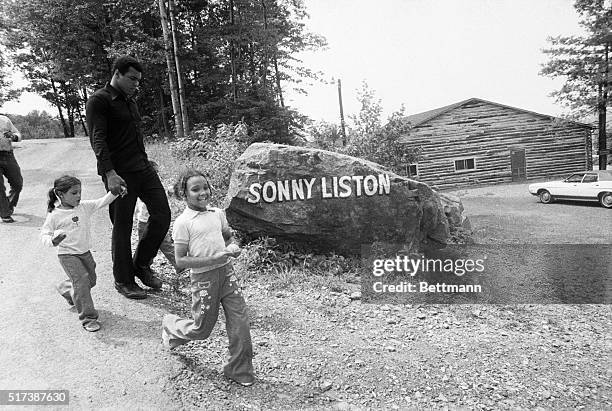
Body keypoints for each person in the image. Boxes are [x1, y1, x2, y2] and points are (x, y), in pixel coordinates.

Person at [86, 55, 171, 300]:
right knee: (122, 227)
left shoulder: (129, 101)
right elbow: (98, 139)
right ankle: (123, 280)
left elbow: (132, 136)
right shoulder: (99, 101)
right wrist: (109, 173)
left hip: (143, 169)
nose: (136, 84)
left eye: (138, 80)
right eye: (132, 78)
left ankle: (141, 265)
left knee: (162, 214)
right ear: (117, 74)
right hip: (119, 175)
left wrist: (145, 160)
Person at [161, 170, 255, 387]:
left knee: (240, 323)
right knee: (201, 329)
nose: (203, 192)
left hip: (228, 274)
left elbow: (228, 237)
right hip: (204, 280)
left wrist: (233, 247)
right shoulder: (183, 222)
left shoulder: (217, 213)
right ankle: (171, 325)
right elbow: (181, 260)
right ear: (184, 194)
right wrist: (213, 258)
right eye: (195, 189)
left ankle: (238, 370)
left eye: (205, 187)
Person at [40, 175, 118, 332]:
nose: (79, 196)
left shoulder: (83, 207)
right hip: (67, 255)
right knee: (82, 281)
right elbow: (44, 234)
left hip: (85, 252)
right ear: (60, 194)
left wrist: (115, 192)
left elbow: (101, 202)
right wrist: (53, 241)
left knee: (90, 280)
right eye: (74, 193)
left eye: (80, 192)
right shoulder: (55, 215)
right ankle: (88, 318)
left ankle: (66, 289)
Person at [134, 161, 179, 273]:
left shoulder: (156, 188)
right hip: (144, 222)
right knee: (145, 247)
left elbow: (165, 194)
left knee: (166, 245)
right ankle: (145, 267)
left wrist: (171, 191)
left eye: (157, 174)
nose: (157, 176)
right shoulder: (143, 188)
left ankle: (179, 265)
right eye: (155, 173)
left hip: (157, 222)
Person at [0, 114, 23, 223]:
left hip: (8, 154)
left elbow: (18, 134)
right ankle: (5, 213)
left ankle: (8, 205)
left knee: (17, 183)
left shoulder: (4, 119)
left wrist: (13, 136)